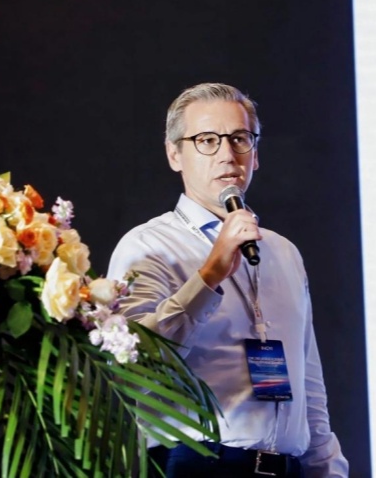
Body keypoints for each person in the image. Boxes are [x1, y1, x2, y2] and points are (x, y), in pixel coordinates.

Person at [107, 82, 349, 478]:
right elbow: (132, 372)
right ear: (174, 154)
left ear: (255, 154)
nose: (227, 154)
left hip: (285, 467)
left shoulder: (283, 252)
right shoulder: (148, 246)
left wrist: (328, 470)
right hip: (197, 465)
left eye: (240, 138)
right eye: (207, 140)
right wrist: (209, 276)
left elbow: (309, 386)